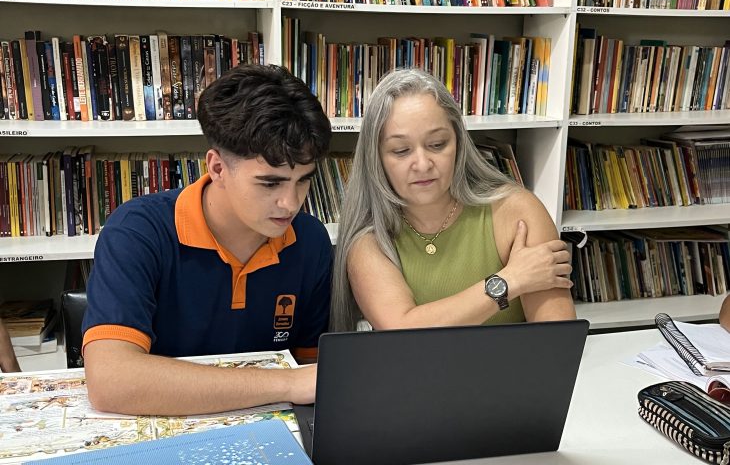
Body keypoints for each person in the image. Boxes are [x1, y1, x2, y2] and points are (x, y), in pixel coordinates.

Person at [82, 65, 333, 416]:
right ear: (216, 169)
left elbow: (316, 371)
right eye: (270, 183)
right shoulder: (137, 231)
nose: (291, 203)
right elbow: (111, 381)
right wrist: (287, 383)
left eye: (303, 180)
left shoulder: (310, 241)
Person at [331, 68, 576, 332]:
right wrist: (509, 280)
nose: (423, 164)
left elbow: (557, 338)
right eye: (401, 151)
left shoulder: (517, 211)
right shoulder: (368, 240)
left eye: (437, 144)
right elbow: (402, 331)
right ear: (375, 158)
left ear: (459, 143)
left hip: (513, 372)